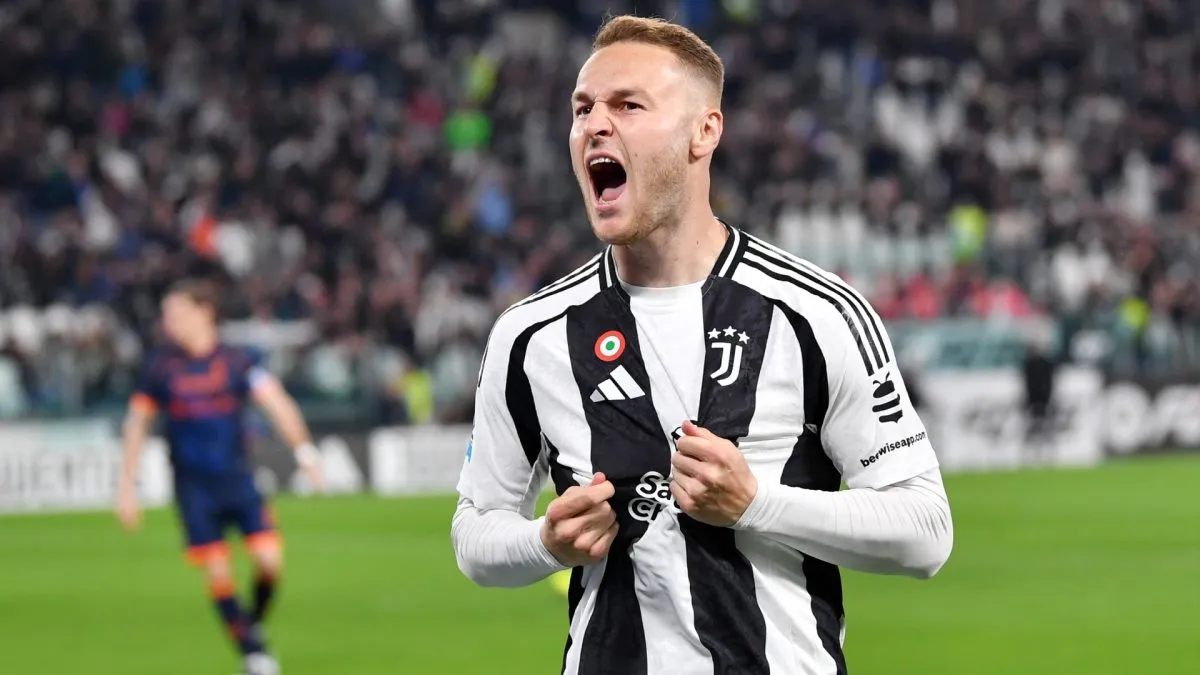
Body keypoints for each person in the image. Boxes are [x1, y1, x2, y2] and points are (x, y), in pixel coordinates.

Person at [451, 15, 954, 675]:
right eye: (583, 108)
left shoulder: (815, 313)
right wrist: (544, 542)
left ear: (704, 132)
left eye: (628, 105)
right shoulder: (531, 335)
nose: (595, 125)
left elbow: (925, 531)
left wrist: (757, 503)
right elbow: (476, 532)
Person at [115, 278, 324, 675]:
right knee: (217, 570)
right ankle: (253, 653)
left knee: (269, 562)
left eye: (177, 313)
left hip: (238, 480)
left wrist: (305, 453)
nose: (168, 322)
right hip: (194, 489)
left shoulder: (237, 362)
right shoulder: (160, 368)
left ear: (204, 312)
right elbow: (137, 424)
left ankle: (249, 623)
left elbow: (277, 404)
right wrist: (126, 486)